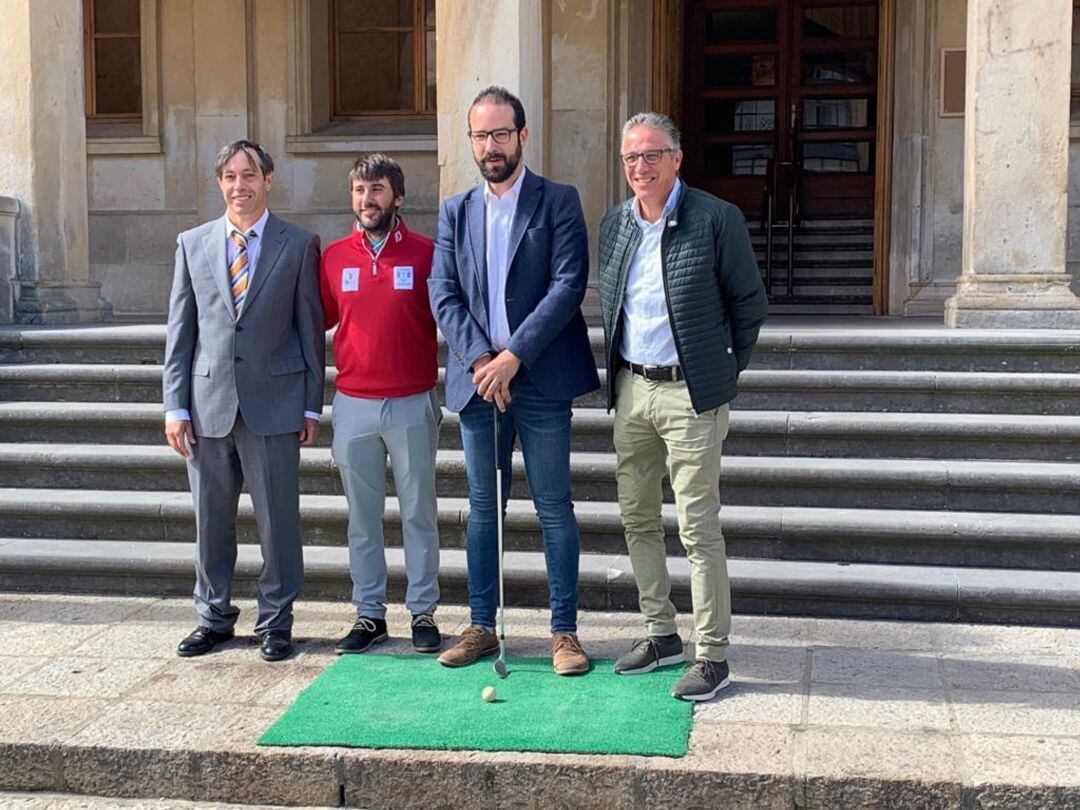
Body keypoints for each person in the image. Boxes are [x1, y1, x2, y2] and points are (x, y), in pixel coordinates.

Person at [429, 86, 599, 675]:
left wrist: (514, 357)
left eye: (501, 133)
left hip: (541, 379)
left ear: (522, 135)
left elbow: (569, 284)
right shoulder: (456, 211)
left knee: (554, 508)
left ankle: (564, 633)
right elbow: (443, 294)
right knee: (482, 509)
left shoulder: (558, 201)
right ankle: (481, 626)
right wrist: (480, 360)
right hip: (479, 384)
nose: (491, 145)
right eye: (480, 135)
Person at [597, 112, 767, 700]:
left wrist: (722, 371)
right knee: (637, 517)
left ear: (677, 158)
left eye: (651, 155)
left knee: (698, 527)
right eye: (630, 158)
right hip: (632, 390)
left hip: (690, 393)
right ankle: (661, 633)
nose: (639, 167)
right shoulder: (616, 223)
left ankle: (713, 654)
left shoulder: (716, 218)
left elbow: (749, 305)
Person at [163, 139, 325, 662]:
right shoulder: (192, 244)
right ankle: (213, 618)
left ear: (268, 180)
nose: (240, 185)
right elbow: (180, 331)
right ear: (219, 183)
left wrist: (310, 404)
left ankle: (276, 622)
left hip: (275, 404)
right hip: (207, 405)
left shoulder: (297, 244)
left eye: (249, 174)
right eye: (230, 176)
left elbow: (310, 329)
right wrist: (175, 406)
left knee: (278, 521)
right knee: (210, 521)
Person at [320, 154, 442, 655]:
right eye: (359, 191)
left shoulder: (427, 254)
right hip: (353, 402)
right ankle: (369, 614)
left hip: (413, 400)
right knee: (362, 518)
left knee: (418, 512)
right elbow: (317, 324)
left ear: (397, 196)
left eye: (377, 190)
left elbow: (449, 319)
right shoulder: (332, 257)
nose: (367, 200)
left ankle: (423, 611)